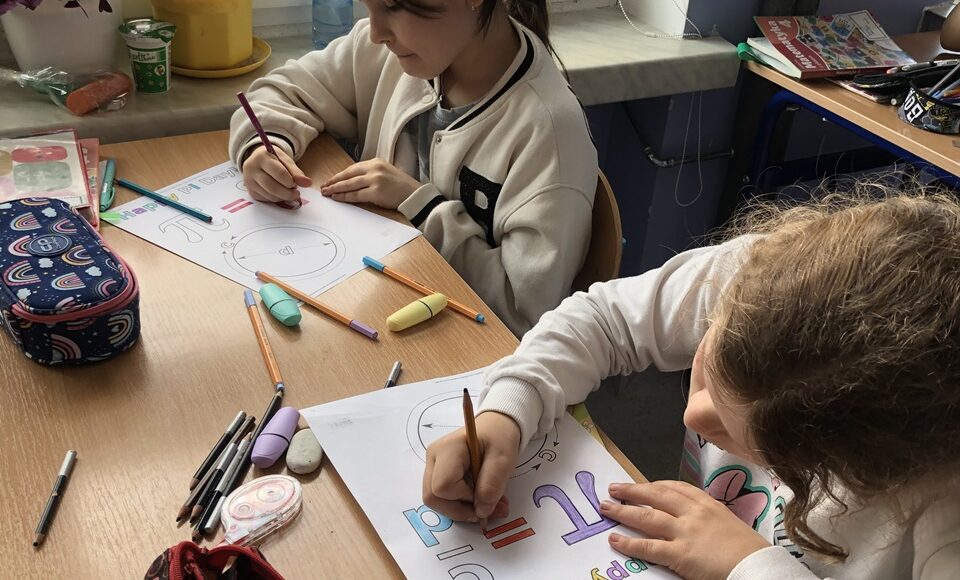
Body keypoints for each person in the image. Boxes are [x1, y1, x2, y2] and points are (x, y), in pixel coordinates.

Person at [422, 188, 960, 579]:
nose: (691, 416)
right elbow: (604, 320)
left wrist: (750, 565)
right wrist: (509, 408)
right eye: (709, 361)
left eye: (759, 445)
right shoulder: (768, 275)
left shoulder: (941, 512)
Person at [229, 0, 598, 336]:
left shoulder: (550, 132)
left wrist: (421, 206)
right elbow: (280, 91)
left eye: (392, 6)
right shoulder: (396, 52)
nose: (375, 33)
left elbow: (527, 312)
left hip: (465, 361)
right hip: (374, 312)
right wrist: (265, 145)